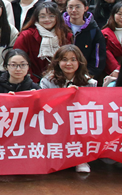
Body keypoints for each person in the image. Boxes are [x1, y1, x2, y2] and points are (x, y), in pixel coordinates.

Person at [39, 44, 96, 174]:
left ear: (79, 62)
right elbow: (44, 104)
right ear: (57, 62)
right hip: (55, 118)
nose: (69, 63)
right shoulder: (47, 81)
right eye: (64, 59)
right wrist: (64, 95)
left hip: (78, 121)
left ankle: (81, 159)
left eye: (73, 59)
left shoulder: (90, 83)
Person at [14, 1, 70, 82]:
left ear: (57, 17)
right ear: (37, 18)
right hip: (31, 81)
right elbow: (18, 59)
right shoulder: (26, 36)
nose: (47, 19)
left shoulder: (66, 35)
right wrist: (34, 81)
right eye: (42, 16)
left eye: (51, 16)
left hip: (60, 80)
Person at [63, 0, 106, 80]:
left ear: (85, 8)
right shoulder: (60, 26)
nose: (74, 10)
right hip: (61, 74)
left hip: (85, 76)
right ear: (66, 9)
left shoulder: (93, 30)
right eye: (70, 7)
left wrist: (88, 75)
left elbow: (98, 57)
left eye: (78, 7)